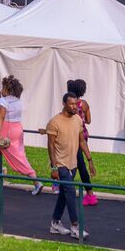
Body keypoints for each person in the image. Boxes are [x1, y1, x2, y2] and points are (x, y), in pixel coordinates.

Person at [0, 75, 42, 195]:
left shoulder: (3, 100)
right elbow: (8, 115)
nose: (1, 90)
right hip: (17, 129)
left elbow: (1, 117)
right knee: (20, 156)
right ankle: (36, 182)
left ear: (7, 89)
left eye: (3, 87)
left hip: (6, 130)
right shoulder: (17, 101)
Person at [45, 93, 86, 240]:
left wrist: (90, 159)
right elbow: (50, 146)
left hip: (72, 163)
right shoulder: (54, 122)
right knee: (70, 190)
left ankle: (55, 223)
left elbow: (82, 141)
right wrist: (54, 167)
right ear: (64, 104)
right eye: (72, 104)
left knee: (64, 193)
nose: (75, 107)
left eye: (76, 104)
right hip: (60, 164)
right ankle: (75, 226)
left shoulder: (77, 119)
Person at [65, 79, 98, 206]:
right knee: (76, 162)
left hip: (73, 135)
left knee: (78, 163)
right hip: (83, 134)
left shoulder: (69, 104)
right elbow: (88, 120)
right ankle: (67, 187)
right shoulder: (84, 104)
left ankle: (89, 193)